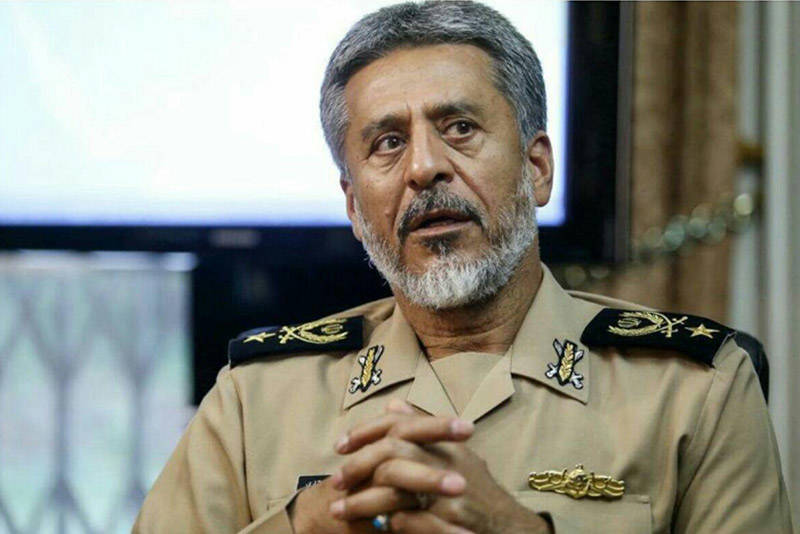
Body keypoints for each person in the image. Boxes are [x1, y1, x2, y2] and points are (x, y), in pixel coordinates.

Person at [134, 1, 793, 532]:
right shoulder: (256, 398)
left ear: (538, 168)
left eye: (459, 128)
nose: (424, 168)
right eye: (388, 142)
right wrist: (302, 525)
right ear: (355, 206)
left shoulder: (693, 390)